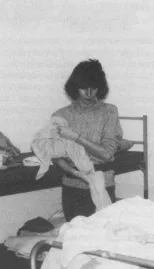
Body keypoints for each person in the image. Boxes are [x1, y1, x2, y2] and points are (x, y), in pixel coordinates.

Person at [52, 59, 123, 222]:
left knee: (102, 236)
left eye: (94, 87)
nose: (89, 93)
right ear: (75, 86)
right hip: (72, 184)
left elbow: (106, 154)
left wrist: (76, 137)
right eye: (84, 87)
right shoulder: (61, 115)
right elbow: (56, 156)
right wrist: (76, 173)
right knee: (75, 237)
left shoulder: (109, 112)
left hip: (102, 184)